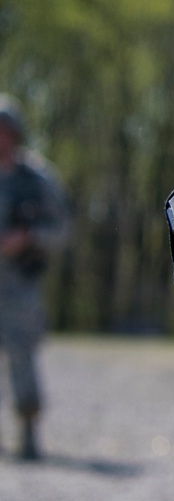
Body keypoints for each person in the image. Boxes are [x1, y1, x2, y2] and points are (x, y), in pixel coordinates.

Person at [0, 94, 68, 461]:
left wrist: (27, 238)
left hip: (19, 287)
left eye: (4, 131)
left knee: (22, 358)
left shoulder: (36, 179)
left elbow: (61, 230)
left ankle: (28, 433)